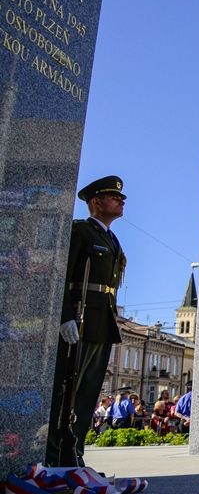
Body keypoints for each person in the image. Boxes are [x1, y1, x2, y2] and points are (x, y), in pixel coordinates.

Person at [45, 176, 128, 467]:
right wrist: (65, 315)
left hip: (101, 323)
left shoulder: (111, 240)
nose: (121, 200)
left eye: (121, 198)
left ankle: (74, 453)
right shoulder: (80, 232)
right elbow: (61, 276)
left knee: (88, 393)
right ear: (95, 202)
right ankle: (55, 455)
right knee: (67, 391)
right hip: (78, 323)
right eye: (114, 197)